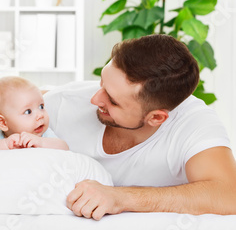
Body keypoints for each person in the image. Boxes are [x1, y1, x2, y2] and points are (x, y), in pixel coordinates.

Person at [43, 34, 236, 220]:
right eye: (101, 83)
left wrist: (121, 197)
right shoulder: (64, 103)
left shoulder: (193, 123)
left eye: (112, 101)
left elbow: (228, 195)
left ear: (156, 118)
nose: (94, 99)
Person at [0, 76, 68, 153]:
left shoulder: (44, 135)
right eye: (28, 111)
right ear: (3, 123)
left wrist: (41, 142)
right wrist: (6, 144)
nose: (40, 115)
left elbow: (64, 148)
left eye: (41, 106)